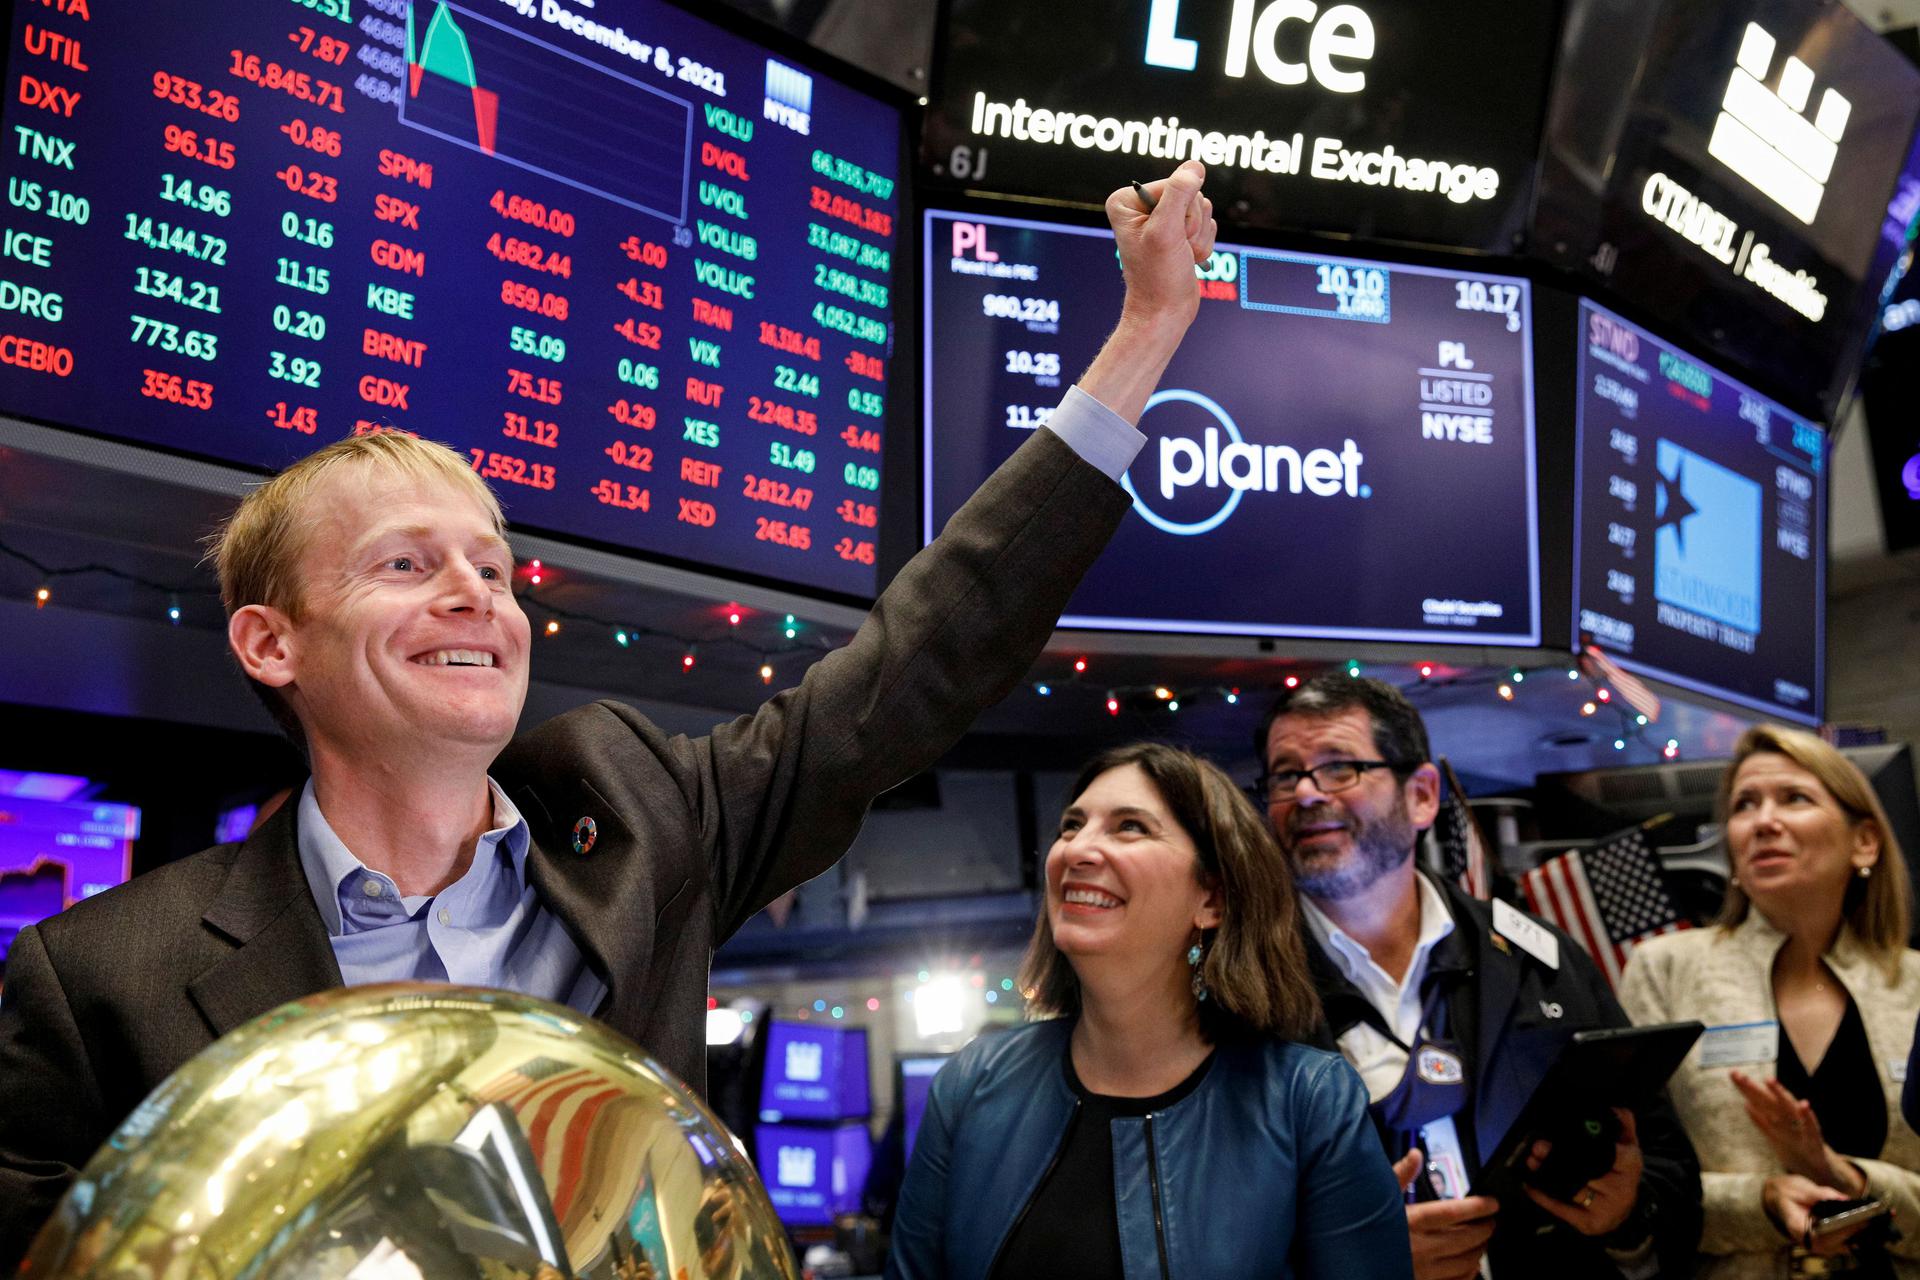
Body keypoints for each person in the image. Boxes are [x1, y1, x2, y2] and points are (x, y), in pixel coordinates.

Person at [0, 165, 1220, 1263]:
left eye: (492, 565)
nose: (477, 592)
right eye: (407, 564)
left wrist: (1147, 330)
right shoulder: (103, 975)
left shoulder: (644, 819)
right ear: (272, 642)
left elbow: (927, 654)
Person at [886, 742, 1414, 1280]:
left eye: (1130, 827)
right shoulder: (972, 1084)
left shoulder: (1308, 1102)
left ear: (1212, 898)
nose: (1077, 850)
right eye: (1072, 826)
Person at [1257, 675, 1701, 1280]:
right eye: (1286, 775)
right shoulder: (1235, 987)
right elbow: (1187, 1230)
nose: (1307, 794)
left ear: (1421, 795)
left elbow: (1667, 1167)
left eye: (1339, 768)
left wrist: (1625, 1217)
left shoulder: (1539, 959)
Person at [1618, 724, 1920, 1279]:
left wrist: (1848, 1178)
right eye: (1745, 805)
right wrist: (1759, 1201)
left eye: (1795, 799)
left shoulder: (1918, 985)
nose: (1763, 822)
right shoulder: (1664, 969)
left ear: (1865, 842)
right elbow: (1633, 1184)